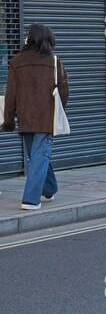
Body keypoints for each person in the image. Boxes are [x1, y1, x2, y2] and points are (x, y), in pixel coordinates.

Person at [1, 23, 68, 210]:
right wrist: (59, 111)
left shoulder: (16, 61)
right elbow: (64, 91)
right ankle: (31, 200)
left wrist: (8, 119)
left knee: (38, 155)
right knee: (40, 156)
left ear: (29, 39)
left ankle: (49, 188)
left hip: (25, 118)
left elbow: (11, 94)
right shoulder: (53, 62)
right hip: (46, 118)